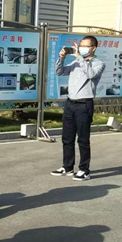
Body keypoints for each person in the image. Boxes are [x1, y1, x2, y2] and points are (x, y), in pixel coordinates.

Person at [50, 36, 105, 181]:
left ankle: (84, 170)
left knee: (83, 139)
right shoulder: (76, 62)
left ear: (93, 48)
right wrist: (61, 58)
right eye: (81, 45)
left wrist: (80, 58)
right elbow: (60, 72)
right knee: (67, 138)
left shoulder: (98, 63)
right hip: (70, 103)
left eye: (85, 46)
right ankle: (67, 166)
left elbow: (91, 74)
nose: (81, 48)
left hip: (84, 105)